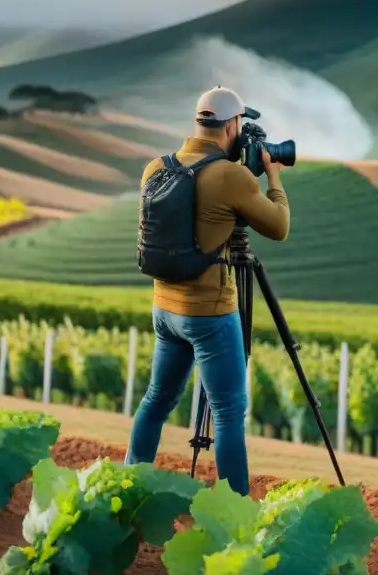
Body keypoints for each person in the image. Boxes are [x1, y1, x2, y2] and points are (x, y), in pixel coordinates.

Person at [125, 85, 289, 496]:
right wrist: (272, 176)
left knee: (157, 399)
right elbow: (278, 227)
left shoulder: (155, 168)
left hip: (165, 309)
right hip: (209, 315)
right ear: (232, 124)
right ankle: (234, 515)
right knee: (229, 413)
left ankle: (125, 485)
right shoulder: (230, 177)